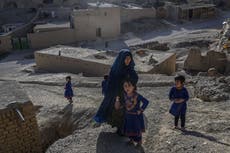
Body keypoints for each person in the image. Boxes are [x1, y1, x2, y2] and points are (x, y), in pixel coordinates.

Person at [94, 49, 138, 134]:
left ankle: (126, 128)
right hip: (117, 94)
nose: (128, 60)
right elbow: (112, 83)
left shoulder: (130, 69)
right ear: (121, 59)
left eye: (129, 58)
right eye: (126, 58)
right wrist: (117, 97)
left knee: (128, 111)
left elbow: (135, 79)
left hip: (128, 94)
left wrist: (130, 80)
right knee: (118, 111)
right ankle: (120, 128)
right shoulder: (115, 70)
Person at [115, 79, 148, 149]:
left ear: (133, 86)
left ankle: (139, 142)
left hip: (136, 116)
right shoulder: (124, 95)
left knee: (137, 129)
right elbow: (123, 105)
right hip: (128, 115)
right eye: (125, 86)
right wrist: (117, 101)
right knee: (129, 128)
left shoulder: (137, 95)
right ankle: (131, 140)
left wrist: (141, 110)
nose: (127, 88)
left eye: (129, 86)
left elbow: (146, 102)